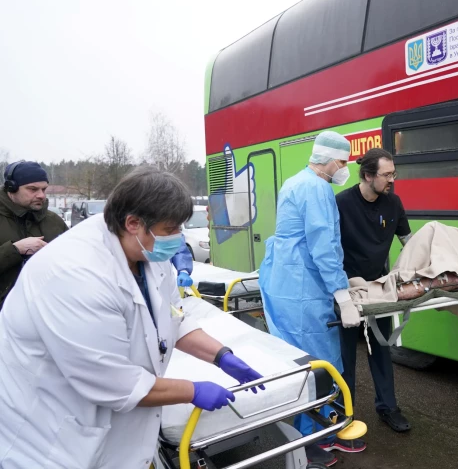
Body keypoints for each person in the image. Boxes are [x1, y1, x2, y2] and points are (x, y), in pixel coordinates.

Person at [0, 167, 264, 468]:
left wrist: (221, 355)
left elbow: (172, 315)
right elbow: (113, 382)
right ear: (133, 223)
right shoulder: (74, 274)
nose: (178, 239)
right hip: (52, 439)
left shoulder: (145, 252)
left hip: (116, 431)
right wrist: (193, 389)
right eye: (170, 230)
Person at [258, 131, 364, 467]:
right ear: (329, 159)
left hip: (283, 279)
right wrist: (341, 293)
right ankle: (317, 442)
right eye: (343, 162)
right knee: (320, 365)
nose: (345, 168)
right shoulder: (317, 188)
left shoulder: (295, 181)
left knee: (296, 362)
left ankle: (307, 438)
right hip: (303, 288)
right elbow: (322, 245)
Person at [335, 148, 412, 433]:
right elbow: (327, 250)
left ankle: (388, 408)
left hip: (377, 287)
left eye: (394, 173)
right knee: (345, 357)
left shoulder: (393, 203)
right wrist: (344, 284)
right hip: (344, 290)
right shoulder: (341, 204)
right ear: (368, 175)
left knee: (380, 347)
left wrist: (422, 270)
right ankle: (344, 414)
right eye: (387, 174)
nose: (392, 179)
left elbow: (408, 241)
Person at [0, 160, 68, 310]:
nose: (41, 195)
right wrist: (15, 250)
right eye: (33, 189)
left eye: (44, 189)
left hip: (48, 311)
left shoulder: (54, 221)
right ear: (11, 188)